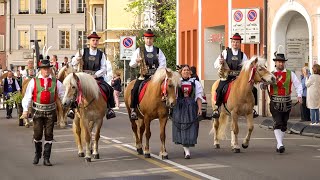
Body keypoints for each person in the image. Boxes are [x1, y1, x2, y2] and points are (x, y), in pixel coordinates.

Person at [21, 58, 65, 166]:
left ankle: (46, 158)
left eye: (47, 69)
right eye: (44, 69)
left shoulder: (56, 82)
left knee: (49, 134)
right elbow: (27, 97)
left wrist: (69, 105)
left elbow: (63, 95)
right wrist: (25, 110)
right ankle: (37, 154)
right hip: (37, 111)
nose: (46, 71)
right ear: (40, 70)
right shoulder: (33, 81)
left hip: (50, 111)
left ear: (50, 69)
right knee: (38, 134)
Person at [262, 52, 302, 153]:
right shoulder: (270, 74)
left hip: (287, 102)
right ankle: (280, 144)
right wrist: (264, 84)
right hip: (275, 102)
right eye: (279, 62)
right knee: (278, 122)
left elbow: (298, 85)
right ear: (276, 63)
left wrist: (299, 95)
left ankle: (279, 143)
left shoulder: (290, 74)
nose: (281, 64)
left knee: (284, 124)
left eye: (282, 62)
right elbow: (263, 85)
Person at [212, 33, 258, 118]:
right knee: (219, 89)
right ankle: (217, 108)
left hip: (238, 78)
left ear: (240, 43)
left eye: (237, 42)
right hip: (227, 77)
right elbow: (215, 64)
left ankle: (252, 108)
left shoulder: (243, 55)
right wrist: (220, 62)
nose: (235, 44)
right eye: (233, 42)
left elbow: (246, 67)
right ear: (231, 42)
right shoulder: (225, 52)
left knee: (253, 89)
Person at [71, 31, 116, 119]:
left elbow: (103, 68)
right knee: (73, 88)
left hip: (97, 78)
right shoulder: (83, 51)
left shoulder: (101, 54)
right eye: (93, 40)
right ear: (89, 41)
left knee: (108, 88)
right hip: (83, 78)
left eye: (96, 40)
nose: (95, 42)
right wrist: (77, 59)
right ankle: (72, 108)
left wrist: (95, 75)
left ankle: (109, 108)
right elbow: (73, 63)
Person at [129, 29, 166, 120]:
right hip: (143, 76)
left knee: (168, 87)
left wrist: (157, 74)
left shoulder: (158, 51)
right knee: (135, 89)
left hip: (156, 77)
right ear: (144, 39)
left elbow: (163, 64)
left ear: (153, 39)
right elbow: (131, 64)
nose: (149, 40)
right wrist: (136, 61)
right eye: (147, 38)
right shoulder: (139, 50)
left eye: (150, 38)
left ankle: (168, 108)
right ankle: (133, 109)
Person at [172, 65, 203, 159]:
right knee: (183, 127)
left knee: (190, 127)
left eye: (187, 70)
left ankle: (186, 148)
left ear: (190, 72)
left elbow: (198, 97)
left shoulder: (195, 82)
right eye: (184, 70)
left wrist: (200, 108)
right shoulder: (177, 82)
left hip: (191, 107)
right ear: (181, 72)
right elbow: (173, 96)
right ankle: (187, 151)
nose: (186, 72)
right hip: (180, 107)